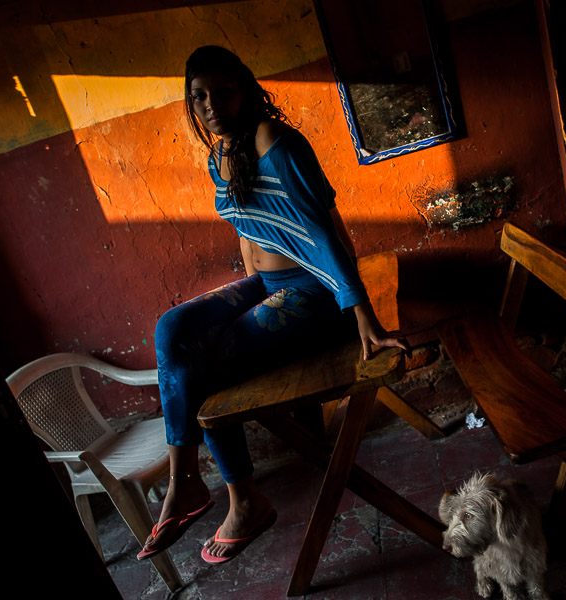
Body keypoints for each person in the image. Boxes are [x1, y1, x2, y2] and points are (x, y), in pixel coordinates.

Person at [136, 45, 408, 565]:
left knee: (208, 370)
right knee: (171, 329)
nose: (211, 104)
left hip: (316, 291)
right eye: (199, 96)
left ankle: (245, 502)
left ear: (247, 87)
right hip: (268, 286)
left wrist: (362, 315)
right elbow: (246, 228)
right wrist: (240, 301)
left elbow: (324, 233)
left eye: (224, 90)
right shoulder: (220, 155)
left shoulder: (276, 143)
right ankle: (184, 482)